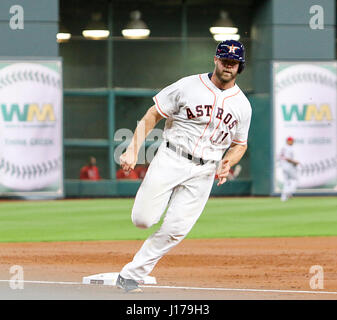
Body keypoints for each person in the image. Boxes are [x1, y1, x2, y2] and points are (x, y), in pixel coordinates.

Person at [117, 40, 252, 293]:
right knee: (143, 220)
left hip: (205, 170)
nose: (228, 66)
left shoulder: (243, 105)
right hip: (172, 157)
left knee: (176, 230)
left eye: (233, 63)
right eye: (224, 61)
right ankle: (136, 257)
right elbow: (152, 114)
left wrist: (228, 162)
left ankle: (131, 275)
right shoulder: (188, 85)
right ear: (215, 59)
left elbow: (240, 145)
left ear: (240, 67)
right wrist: (133, 149)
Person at [279, 137, 299, 201]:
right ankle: (289, 192)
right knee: (295, 179)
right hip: (289, 166)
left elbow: (280, 157)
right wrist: (295, 162)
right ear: (288, 141)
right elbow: (287, 158)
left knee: (286, 182)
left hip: (283, 166)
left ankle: (283, 197)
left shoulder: (283, 148)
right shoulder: (288, 148)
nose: (292, 142)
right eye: (291, 141)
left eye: (292, 141)